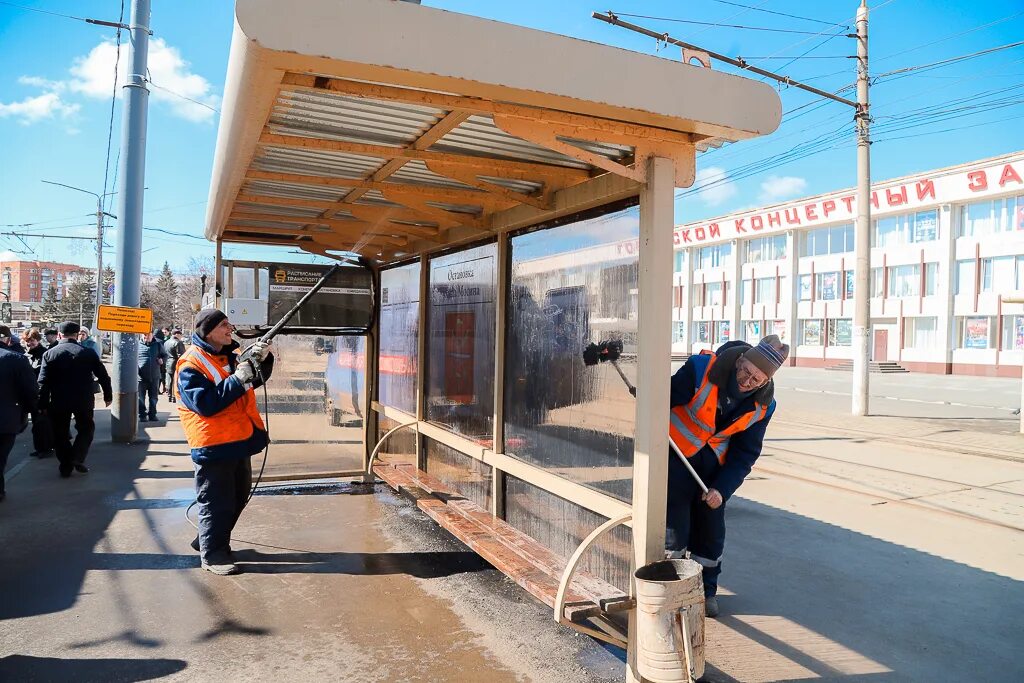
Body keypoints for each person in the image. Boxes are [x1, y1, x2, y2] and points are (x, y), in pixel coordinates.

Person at [665, 334, 788, 618]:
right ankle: (670, 588)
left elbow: (745, 453)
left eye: (756, 379)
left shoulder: (763, 405)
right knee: (675, 528)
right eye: (745, 371)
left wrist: (722, 489)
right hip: (675, 456)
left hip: (712, 471)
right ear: (740, 359)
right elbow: (664, 399)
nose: (747, 381)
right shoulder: (701, 369)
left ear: (765, 382)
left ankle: (705, 592)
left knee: (711, 532)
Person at [177, 309, 274, 575]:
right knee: (216, 502)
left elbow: (253, 381)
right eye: (223, 325)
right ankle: (214, 556)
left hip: (238, 439)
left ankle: (208, 539)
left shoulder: (227, 357)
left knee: (237, 497)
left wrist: (262, 360)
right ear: (207, 331)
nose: (230, 328)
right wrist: (238, 377)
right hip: (213, 445)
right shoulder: (191, 365)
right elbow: (206, 404)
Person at [37, 321, 112, 478]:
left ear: (59, 335)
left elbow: (42, 382)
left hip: (59, 401)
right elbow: (103, 376)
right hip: (83, 399)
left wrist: (42, 404)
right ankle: (77, 457)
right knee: (86, 429)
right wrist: (108, 395)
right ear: (77, 335)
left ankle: (65, 465)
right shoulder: (87, 353)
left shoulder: (50, 354)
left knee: (60, 433)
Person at [0, 340, 37, 502]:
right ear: (7, 340)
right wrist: (31, 411)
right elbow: (30, 391)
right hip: (6, 419)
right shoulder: (16, 359)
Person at [21, 328, 54, 458]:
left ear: (38, 340)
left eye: (32, 340)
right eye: (27, 341)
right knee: (37, 423)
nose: (29, 343)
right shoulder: (26, 355)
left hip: (42, 394)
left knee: (42, 423)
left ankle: (45, 448)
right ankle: (40, 448)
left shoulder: (45, 354)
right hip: (31, 394)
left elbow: (46, 378)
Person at [138, 330, 166, 422]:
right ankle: (142, 415)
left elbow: (165, 355)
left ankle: (152, 414)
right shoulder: (137, 345)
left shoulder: (158, 345)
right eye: (144, 335)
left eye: (148, 335)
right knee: (140, 398)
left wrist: (162, 360)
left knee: (153, 397)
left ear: (152, 335)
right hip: (141, 377)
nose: (146, 337)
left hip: (154, 377)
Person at [163, 329, 186, 404]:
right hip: (176, 362)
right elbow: (181, 354)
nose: (181, 336)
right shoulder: (178, 342)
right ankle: (174, 396)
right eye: (180, 334)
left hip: (168, 362)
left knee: (169, 380)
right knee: (176, 380)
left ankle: (169, 395)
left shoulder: (166, 342)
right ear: (177, 334)